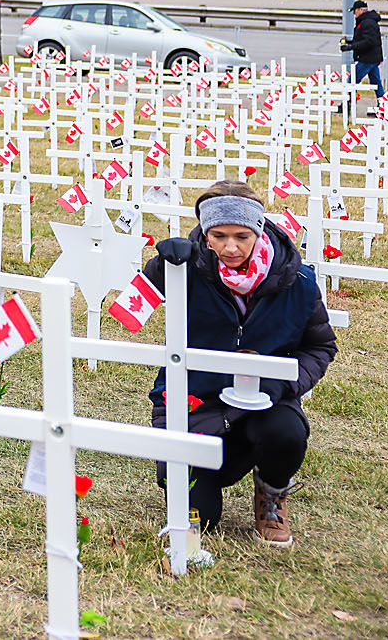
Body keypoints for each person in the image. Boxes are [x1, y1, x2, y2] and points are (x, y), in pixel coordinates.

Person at [140, 181, 336, 548]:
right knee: (203, 521)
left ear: (259, 230)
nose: (230, 247)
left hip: (264, 404)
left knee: (287, 434)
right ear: (205, 233)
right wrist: (161, 266)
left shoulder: (298, 281)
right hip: (195, 400)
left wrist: (283, 385)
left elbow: (320, 346)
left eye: (242, 236)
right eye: (218, 236)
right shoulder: (185, 267)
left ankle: (272, 490)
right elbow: (130, 307)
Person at [340, 0, 384, 105]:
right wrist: (349, 42)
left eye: (355, 11)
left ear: (360, 10)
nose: (354, 14)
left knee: (352, 81)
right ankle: (383, 106)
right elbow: (363, 39)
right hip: (372, 58)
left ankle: (346, 105)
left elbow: (368, 42)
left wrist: (350, 47)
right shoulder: (366, 21)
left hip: (368, 59)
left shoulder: (367, 23)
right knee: (376, 83)